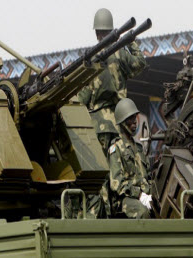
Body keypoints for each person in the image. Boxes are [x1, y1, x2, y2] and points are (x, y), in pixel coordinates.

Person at [78, 8, 147, 154]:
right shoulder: (121, 54)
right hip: (121, 122)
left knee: (103, 172)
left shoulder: (90, 59)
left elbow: (82, 99)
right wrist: (129, 41)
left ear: (96, 32)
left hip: (98, 125)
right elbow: (140, 62)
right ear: (111, 31)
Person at [107, 98, 151, 218]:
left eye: (135, 117)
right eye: (130, 118)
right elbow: (116, 184)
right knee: (143, 213)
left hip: (144, 196)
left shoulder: (139, 148)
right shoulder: (116, 148)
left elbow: (147, 176)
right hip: (125, 200)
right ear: (123, 121)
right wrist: (139, 195)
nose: (135, 122)